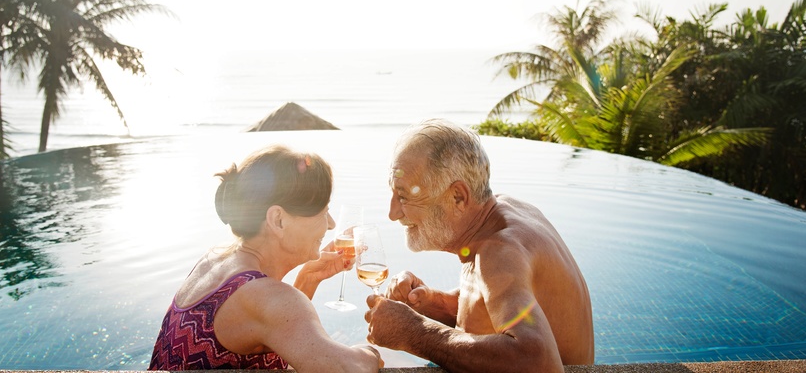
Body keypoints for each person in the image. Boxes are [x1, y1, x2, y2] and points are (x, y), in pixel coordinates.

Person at [364, 119, 594, 373]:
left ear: (458, 197)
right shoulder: (504, 214)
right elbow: (498, 304)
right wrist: (434, 302)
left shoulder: (499, 251)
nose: (392, 213)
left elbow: (539, 363)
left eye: (404, 195)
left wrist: (413, 332)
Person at [149, 144, 381, 372]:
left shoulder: (215, 258)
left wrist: (308, 279)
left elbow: (268, 323)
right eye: (323, 211)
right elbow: (349, 369)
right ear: (278, 219)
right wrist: (371, 352)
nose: (330, 224)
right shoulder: (268, 298)